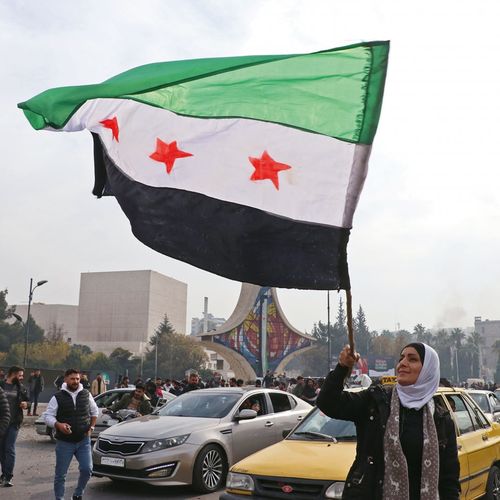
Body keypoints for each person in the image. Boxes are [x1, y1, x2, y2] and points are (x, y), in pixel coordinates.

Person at [317, 343, 460, 500]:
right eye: (401, 358)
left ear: (428, 370)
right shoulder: (376, 401)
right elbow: (328, 403)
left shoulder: (441, 419)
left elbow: (449, 480)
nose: (402, 363)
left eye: (412, 359)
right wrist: (342, 367)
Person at [42, 368, 98, 500]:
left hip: (83, 440)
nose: (76, 381)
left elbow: (95, 412)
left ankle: (78, 494)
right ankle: (59, 498)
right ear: (66, 379)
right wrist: (58, 425)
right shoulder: (57, 397)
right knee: (60, 475)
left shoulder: (86, 394)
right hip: (64, 442)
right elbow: (47, 416)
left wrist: (91, 427)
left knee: (87, 470)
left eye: (78, 379)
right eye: (72, 379)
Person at [0, 366, 28, 487]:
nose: (22, 378)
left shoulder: (21, 388)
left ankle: (8, 476)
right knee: (1, 449)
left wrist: (26, 404)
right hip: (1, 423)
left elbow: (29, 401)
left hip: (14, 423)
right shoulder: (1, 385)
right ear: (13, 374)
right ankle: (3, 475)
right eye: (20, 375)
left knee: (9, 448)